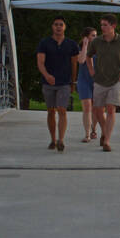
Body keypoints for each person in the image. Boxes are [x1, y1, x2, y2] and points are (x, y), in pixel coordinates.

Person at [85, 13, 120, 153]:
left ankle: (107, 141)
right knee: (98, 110)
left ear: (113, 26)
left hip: (117, 80)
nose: (102, 27)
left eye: (105, 25)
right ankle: (104, 131)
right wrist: (91, 70)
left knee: (110, 108)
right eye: (101, 25)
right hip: (100, 80)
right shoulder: (96, 42)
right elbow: (88, 56)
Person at [36, 16, 80, 151]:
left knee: (62, 110)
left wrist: (73, 82)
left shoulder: (72, 44)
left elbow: (74, 64)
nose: (58, 27)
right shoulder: (44, 43)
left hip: (64, 83)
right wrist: (47, 75)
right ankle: (52, 139)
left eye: (61, 24)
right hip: (48, 82)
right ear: (52, 27)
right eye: (56, 24)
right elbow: (40, 62)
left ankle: (61, 140)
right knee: (50, 111)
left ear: (65, 27)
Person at [77, 26, 98, 143]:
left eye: (96, 35)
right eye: (93, 35)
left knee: (95, 108)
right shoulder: (79, 48)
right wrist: (85, 45)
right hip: (83, 80)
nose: (95, 37)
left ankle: (93, 130)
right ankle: (87, 134)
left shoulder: (100, 48)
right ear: (86, 37)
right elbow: (81, 60)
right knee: (87, 107)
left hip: (96, 81)